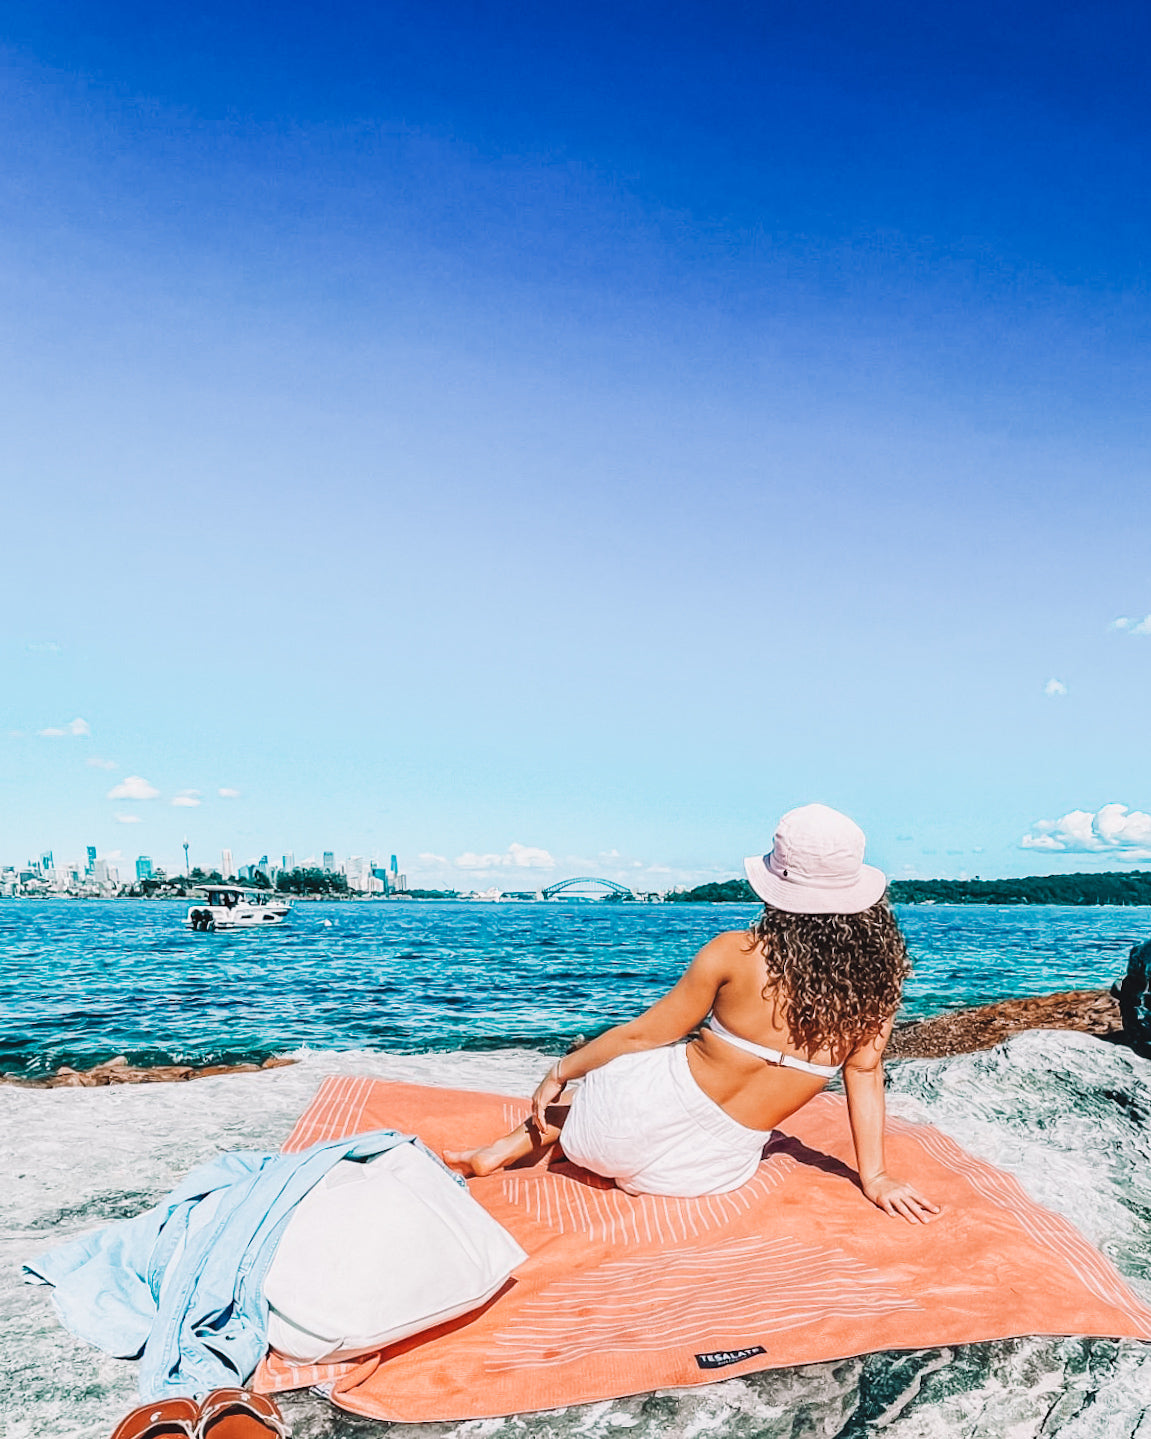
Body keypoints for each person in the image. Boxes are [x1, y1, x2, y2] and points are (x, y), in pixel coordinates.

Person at [445, 803, 940, 1224]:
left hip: (611, 1130)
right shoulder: (880, 983)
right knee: (655, 1100)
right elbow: (864, 1071)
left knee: (619, 1072)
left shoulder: (734, 952)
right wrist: (873, 1177)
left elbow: (641, 1036)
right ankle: (521, 1147)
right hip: (698, 1175)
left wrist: (557, 1072)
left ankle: (502, 1150)